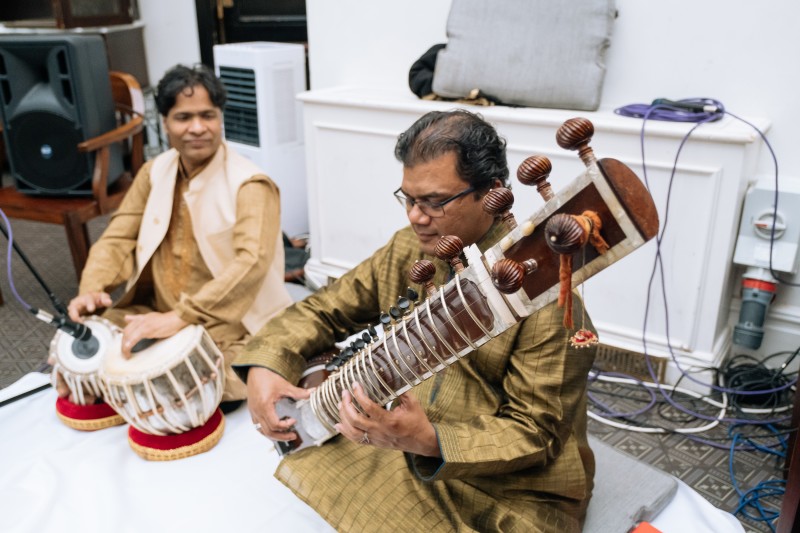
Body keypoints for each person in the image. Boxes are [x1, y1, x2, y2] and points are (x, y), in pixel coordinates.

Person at [235, 109, 598, 532]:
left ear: (493, 192)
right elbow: (327, 307)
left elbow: (536, 434)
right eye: (408, 198)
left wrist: (428, 440)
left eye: (435, 202)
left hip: (506, 484)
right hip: (412, 424)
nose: (414, 216)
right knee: (315, 435)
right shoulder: (413, 248)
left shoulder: (546, 300)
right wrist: (265, 364)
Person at [63, 64, 292, 406]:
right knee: (83, 344)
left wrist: (179, 319)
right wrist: (92, 289)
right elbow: (118, 237)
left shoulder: (250, 184)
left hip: (230, 323)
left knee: (203, 384)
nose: (198, 128)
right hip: (157, 308)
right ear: (165, 123)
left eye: (208, 115)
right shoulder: (154, 171)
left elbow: (252, 263)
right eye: (184, 117)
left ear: (220, 118)